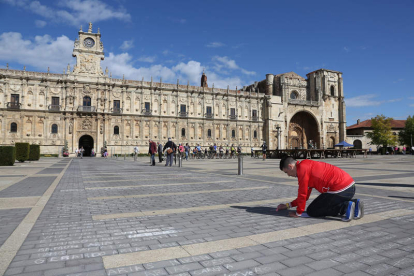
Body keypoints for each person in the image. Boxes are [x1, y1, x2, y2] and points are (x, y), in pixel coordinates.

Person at [276, 156, 364, 221]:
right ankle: (355, 203)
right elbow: (305, 196)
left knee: (313, 211)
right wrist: (288, 205)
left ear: (290, 166)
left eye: (287, 172)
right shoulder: (306, 165)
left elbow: (302, 194)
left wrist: (298, 213)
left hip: (339, 190)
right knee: (318, 206)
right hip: (350, 187)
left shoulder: (302, 170)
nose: (288, 175)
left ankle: (345, 206)